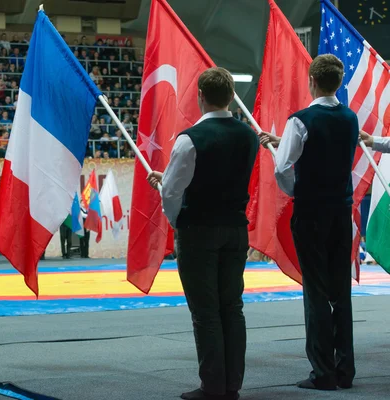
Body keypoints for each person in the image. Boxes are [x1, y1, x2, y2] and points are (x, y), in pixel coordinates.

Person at [147, 67, 258, 400]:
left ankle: (212, 385)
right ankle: (232, 384)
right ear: (230, 97)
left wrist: (176, 217)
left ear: (200, 97)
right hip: (236, 229)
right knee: (232, 307)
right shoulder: (249, 135)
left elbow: (172, 193)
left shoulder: (189, 139)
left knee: (206, 310)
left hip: (199, 231)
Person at [259, 54, 358, 391]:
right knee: (340, 290)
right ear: (339, 82)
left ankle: (322, 372)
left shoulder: (300, 121)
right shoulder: (350, 118)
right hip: (341, 211)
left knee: (316, 291)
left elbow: (282, 167)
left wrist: (297, 191)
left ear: (311, 81)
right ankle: (345, 369)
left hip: (312, 211)